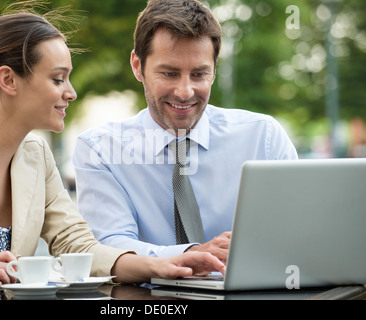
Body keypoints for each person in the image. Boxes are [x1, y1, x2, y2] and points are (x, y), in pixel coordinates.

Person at [0, 10, 224, 299]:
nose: (71, 92)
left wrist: (161, 265)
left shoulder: (36, 157)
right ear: (8, 80)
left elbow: (77, 245)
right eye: (57, 79)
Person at [72, 0, 298, 261]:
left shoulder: (263, 138)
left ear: (214, 70)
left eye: (199, 74)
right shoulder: (100, 149)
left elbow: (296, 230)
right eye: (169, 73)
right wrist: (189, 254)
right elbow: (109, 244)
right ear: (137, 66)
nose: (185, 92)